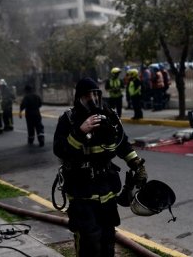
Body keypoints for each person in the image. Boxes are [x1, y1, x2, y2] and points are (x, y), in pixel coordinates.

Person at [53, 77, 147, 257]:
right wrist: (81, 132)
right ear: (79, 98)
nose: (93, 99)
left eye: (96, 94)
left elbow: (123, 144)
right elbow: (60, 150)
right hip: (81, 191)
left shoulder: (110, 116)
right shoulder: (69, 119)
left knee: (108, 238)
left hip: (107, 190)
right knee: (89, 241)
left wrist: (137, 165)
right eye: (88, 95)